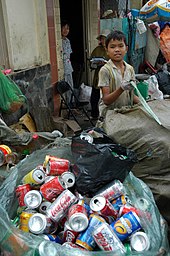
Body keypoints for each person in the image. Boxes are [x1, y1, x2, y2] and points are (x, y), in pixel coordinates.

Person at [97, 30, 139, 119]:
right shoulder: (105, 70)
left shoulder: (130, 69)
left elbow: (131, 95)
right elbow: (106, 100)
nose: (117, 50)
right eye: (112, 47)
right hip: (109, 116)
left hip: (125, 113)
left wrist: (145, 103)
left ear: (126, 49)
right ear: (107, 50)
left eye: (120, 46)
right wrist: (121, 89)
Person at [90, 30, 110, 119]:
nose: (103, 41)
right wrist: (95, 64)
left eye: (104, 39)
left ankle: (106, 116)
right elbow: (90, 63)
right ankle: (94, 114)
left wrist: (106, 64)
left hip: (108, 77)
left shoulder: (111, 49)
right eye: (102, 39)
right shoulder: (97, 50)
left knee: (106, 98)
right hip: (98, 76)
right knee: (94, 97)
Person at [61, 20, 74, 105]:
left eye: (67, 28)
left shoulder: (67, 40)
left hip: (68, 67)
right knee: (64, 88)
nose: (66, 30)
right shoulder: (59, 41)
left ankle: (71, 105)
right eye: (64, 28)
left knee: (70, 86)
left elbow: (69, 54)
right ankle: (66, 105)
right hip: (62, 68)